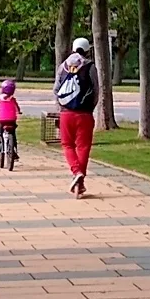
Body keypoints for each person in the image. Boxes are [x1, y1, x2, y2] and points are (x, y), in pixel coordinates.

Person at [53, 37, 99, 198]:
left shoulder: (63, 66)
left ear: (73, 48)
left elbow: (56, 90)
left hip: (66, 113)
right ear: (87, 50)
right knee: (83, 147)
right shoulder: (90, 67)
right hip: (85, 114)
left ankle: (76, 172)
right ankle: (80, 178)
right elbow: (96, 91)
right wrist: (90, 109)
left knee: (67, 145)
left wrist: (61, 108)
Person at [0, 79, 22, 159]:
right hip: (12, 119)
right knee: (13, 133)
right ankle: (14, 150)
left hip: (2, 118)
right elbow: (17, 108)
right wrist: (19, 112)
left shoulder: (0, 98)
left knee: (1, 125)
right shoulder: (13, 99)